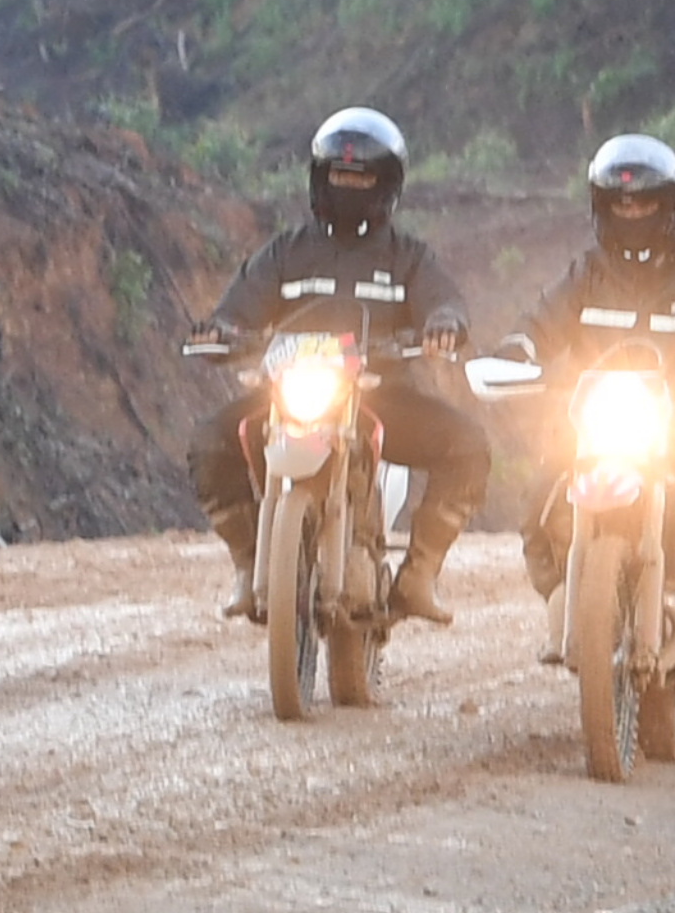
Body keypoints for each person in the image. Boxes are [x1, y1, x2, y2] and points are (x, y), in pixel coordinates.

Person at [186, 108, 492, 625]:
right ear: (319, 179)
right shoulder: (285, 252)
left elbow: (443, 301)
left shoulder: (408, 257)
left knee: (469, 446)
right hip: (289, 395)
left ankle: (419, 576)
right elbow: (239, 308)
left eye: (361, 178)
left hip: (379, 398)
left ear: (386, 185)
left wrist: (444, 323)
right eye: (338, 175)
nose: (347, 186)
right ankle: (248, 565)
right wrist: (220, 330)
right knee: (210, 442)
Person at [507, 132, 675, 674]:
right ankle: (562, 603)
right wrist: (517, 350)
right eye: (620, 203)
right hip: (592, 427)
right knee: (537, 504)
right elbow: (538, 324)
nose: (631, 212)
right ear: (601, 208)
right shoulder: (584, 275)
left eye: (644, 202)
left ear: (669, 207)